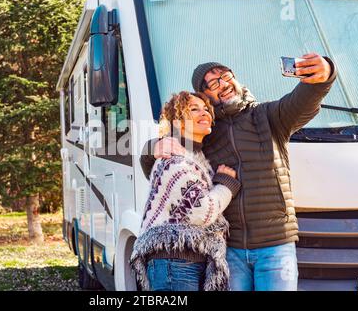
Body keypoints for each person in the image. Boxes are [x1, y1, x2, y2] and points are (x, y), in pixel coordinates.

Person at [140, 53, 336, 291]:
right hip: (229, 249)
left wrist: (325, 74)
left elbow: (303, 101)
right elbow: (166, 170)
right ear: (206, 97)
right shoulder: (206, 132)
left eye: (225, 76)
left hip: (275, 245)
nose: (223, 84)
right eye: (213, 83)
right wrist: (152, 148)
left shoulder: (268, 116)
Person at [130, 91, 241, 291]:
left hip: (186, 260)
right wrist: (225, 185)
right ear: (177, 122)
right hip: (175, 263)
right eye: (194, 109)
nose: (204, 113)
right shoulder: (175, 159)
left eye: (206, 109)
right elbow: (202, 211)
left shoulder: (196, 159)